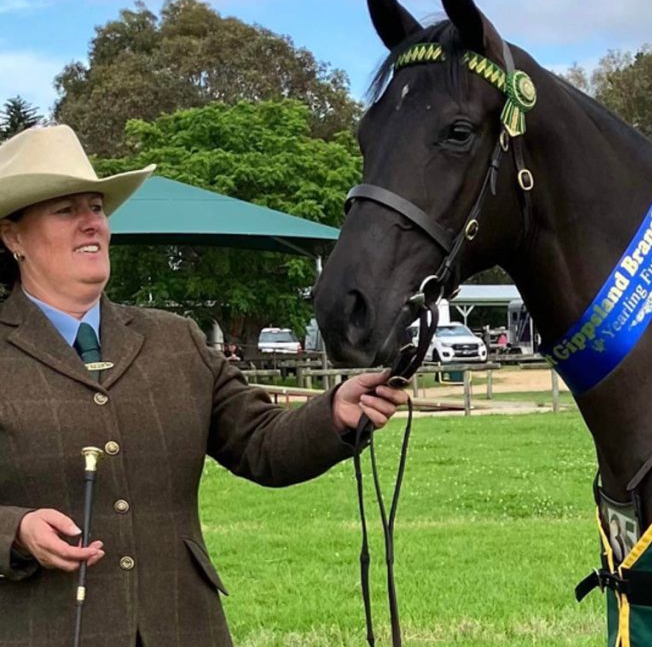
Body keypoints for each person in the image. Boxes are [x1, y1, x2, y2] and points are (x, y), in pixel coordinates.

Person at [0, 125, 407, 647]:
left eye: (96, 208)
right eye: (65, 210)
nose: (91, 223)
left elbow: (262, 444)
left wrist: (334, 414)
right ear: (13, 237)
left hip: (184, 625)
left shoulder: (176, 340)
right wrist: (15, 531)